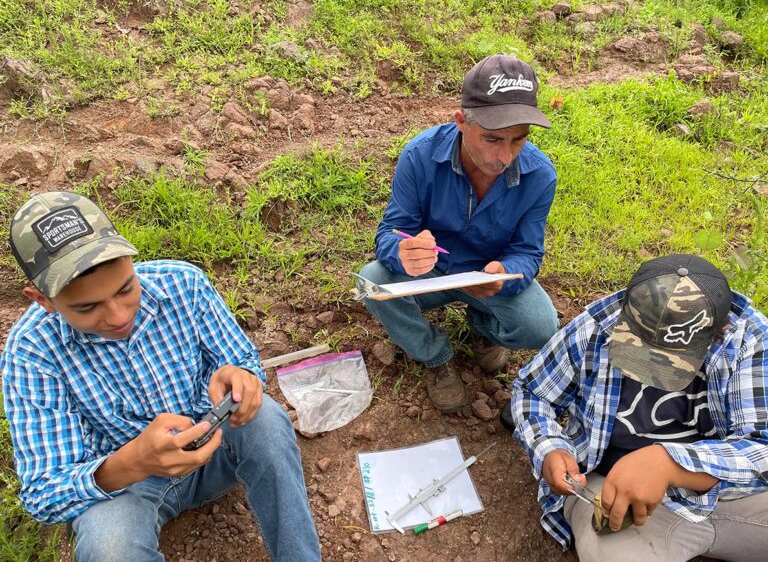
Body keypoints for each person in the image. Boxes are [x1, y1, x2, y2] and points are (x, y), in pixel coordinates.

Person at [1, 192, 321, 561]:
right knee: (110, 548)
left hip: (213, 446)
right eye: (87, 308)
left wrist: (240, 377)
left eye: (125, 288)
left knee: (265, 418)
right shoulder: (32, 352)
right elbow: (44, 492)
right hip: (126, 487)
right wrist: (133, 462)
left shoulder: (183, 284)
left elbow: (241, 359)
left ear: (130, 260)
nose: (119, 316)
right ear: (42, 300)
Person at [509, 253, 768, 561]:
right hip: (617, 498)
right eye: (639, 350)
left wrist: (669, 464)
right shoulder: (597, 328)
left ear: (719, 335)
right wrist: (550, 448)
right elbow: (532, 391)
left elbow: (761, 446)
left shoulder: (751, 342)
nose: (650, 373)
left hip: (734, 498)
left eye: (671, 362)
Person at [359, 53, 559, 413]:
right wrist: (402, 252)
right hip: (429, 273)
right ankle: (434, 356)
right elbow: (391, 231)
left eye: (519, 140)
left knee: (541, 325)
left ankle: (483, 326)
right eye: (493, 139)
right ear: (461, 122)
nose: (505, 156)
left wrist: (502, 277)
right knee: (372, 281)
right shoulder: (420, 156)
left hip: (484, 276)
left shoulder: (540, 176)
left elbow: (528, 253)